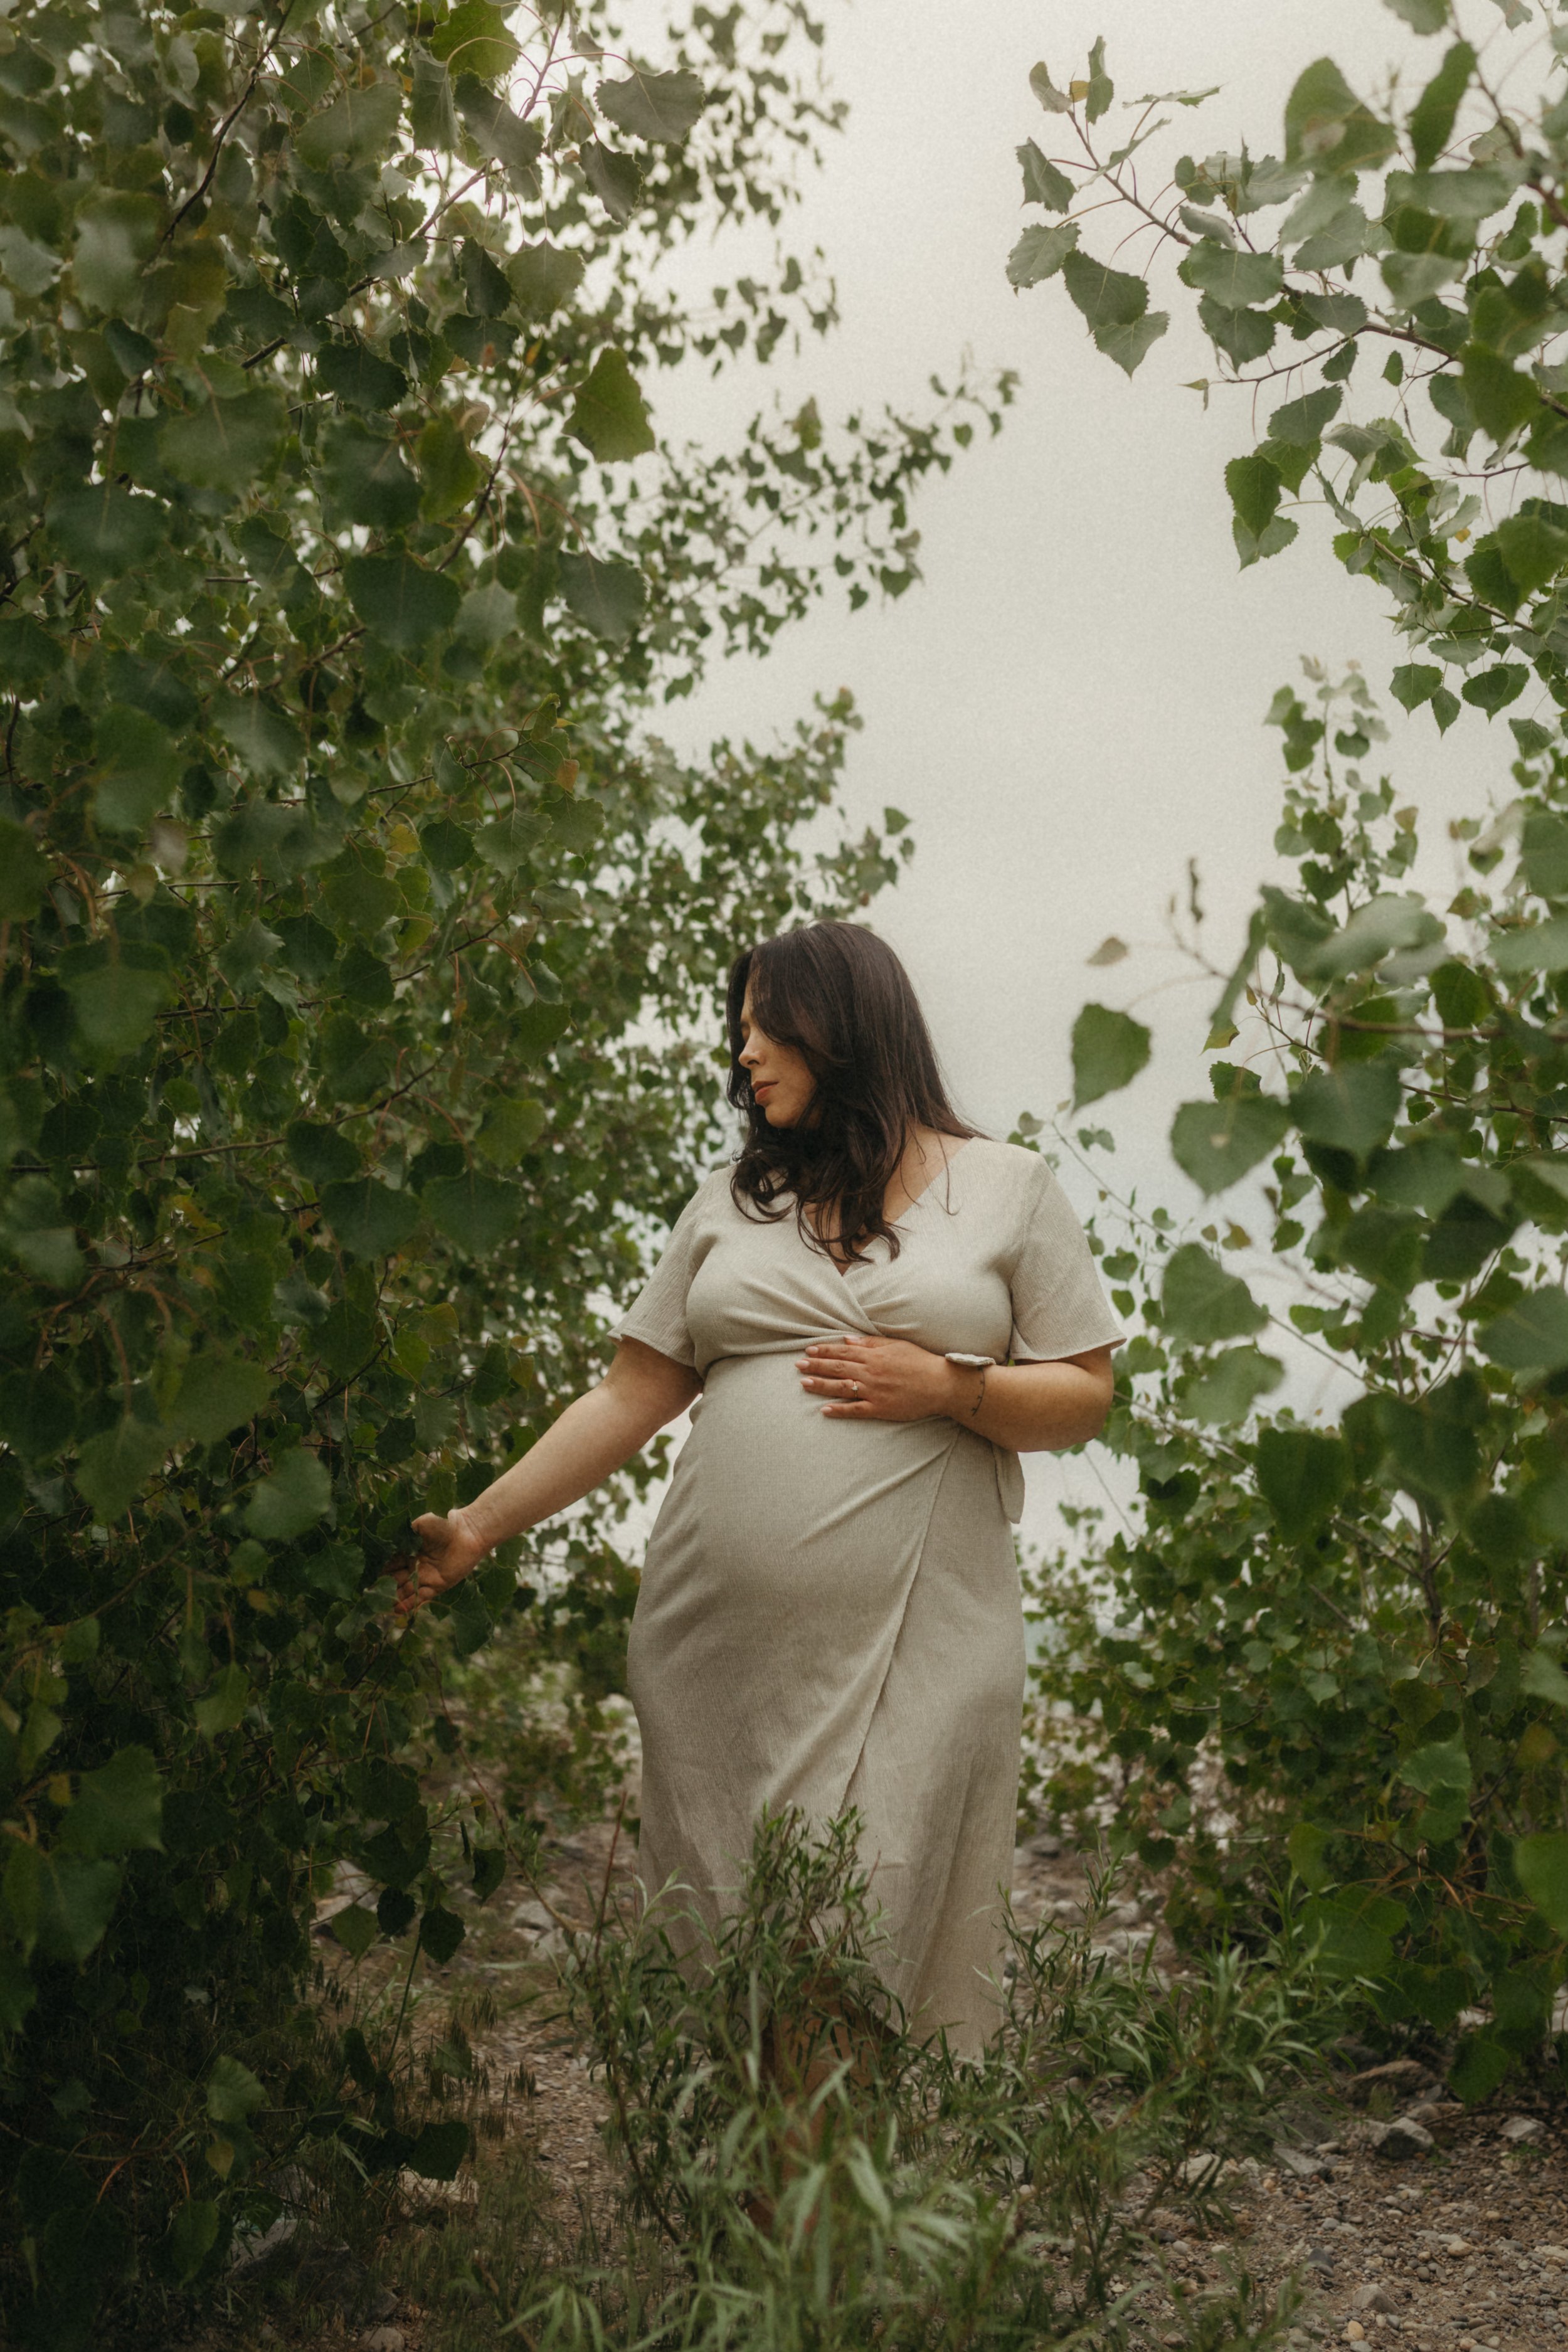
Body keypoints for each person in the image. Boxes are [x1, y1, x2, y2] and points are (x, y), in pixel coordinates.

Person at [398, 921, 1120, 2054]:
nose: (744, 1055)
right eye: (738, 1033)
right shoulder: (731, 1199)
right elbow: (628, 1395)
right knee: (738, 1955)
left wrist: (947, 1383)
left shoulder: (1007, 1186)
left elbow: (1084, 1393)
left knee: (868, 1923)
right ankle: (770, 2216)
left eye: (762, 1028)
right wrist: (477, 1529)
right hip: (718, 1647)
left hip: (927, 1627)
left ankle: (854, 2207)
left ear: (839, 1025)